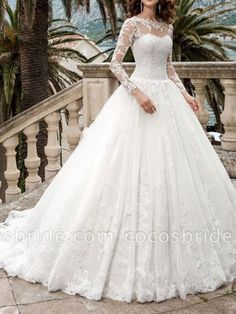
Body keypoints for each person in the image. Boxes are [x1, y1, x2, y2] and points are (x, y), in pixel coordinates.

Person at [0, 0, 236, 304]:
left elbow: (168, 68)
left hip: (168, 102)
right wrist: (137, 93)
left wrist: (185, 94)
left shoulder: (167, 26)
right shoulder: (131, 24)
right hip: (139, 99)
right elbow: (115, 64)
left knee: (172, 175)